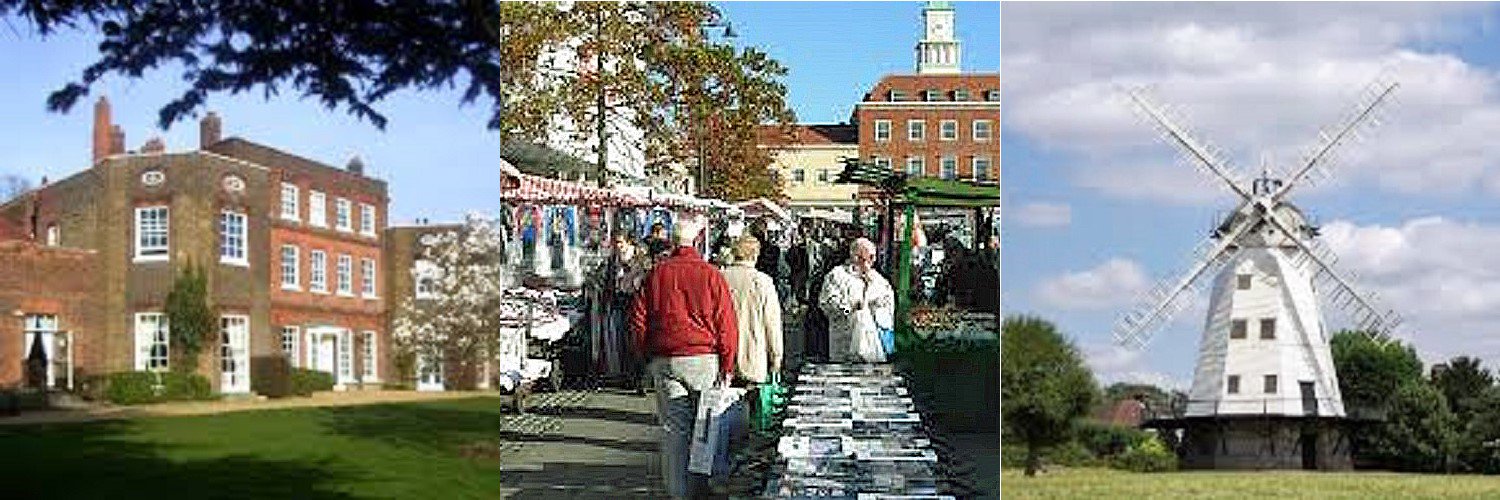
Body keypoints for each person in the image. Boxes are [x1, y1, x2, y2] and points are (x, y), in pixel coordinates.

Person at [631, 220, 739, 499]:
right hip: (703, 357)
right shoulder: (710, 274)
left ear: (671, 241)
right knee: (704, 428)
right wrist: (728, 364)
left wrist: (645, 355)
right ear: (697, 240)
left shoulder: (657, 274)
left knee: (673, 431)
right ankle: (702, 488)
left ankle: (678, 493)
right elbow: (726, 323)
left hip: (666, 358)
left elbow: (638, 319)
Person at [818, 238, 895, 362]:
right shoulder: (837, 276)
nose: (868, 262)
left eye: (871, 258)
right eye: (862, 257)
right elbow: (827, 303)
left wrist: (877, 309)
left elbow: (888, 307)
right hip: (845, 344)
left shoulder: (879, 281)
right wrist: (850, 308)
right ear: (854, 256)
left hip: (873, 349)